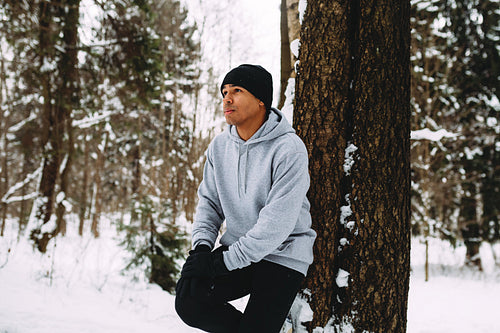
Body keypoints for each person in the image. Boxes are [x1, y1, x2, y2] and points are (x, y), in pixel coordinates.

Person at [175, 64, 316, 333]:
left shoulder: (289, 148)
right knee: (189, 299)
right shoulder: (219, 146)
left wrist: (219, 263)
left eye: (237, 91)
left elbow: (277, 224)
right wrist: (202, 249)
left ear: (261, 99)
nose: (227, 98)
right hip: (239, 249)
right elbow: (210, 203)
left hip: (282, 255)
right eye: (224, 92)